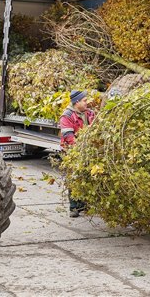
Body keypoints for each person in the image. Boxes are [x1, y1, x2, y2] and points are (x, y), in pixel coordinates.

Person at [60, 89, 95, 218]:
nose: (87, 102)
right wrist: (81, 148)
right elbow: (69, 137)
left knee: (86, 176)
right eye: (85, 100)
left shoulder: (90, 113)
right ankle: (74, 208)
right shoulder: (67, 116)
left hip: (86, 150)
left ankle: (84, 204)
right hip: (72, 152)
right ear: (77, 102)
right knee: (74, 178)